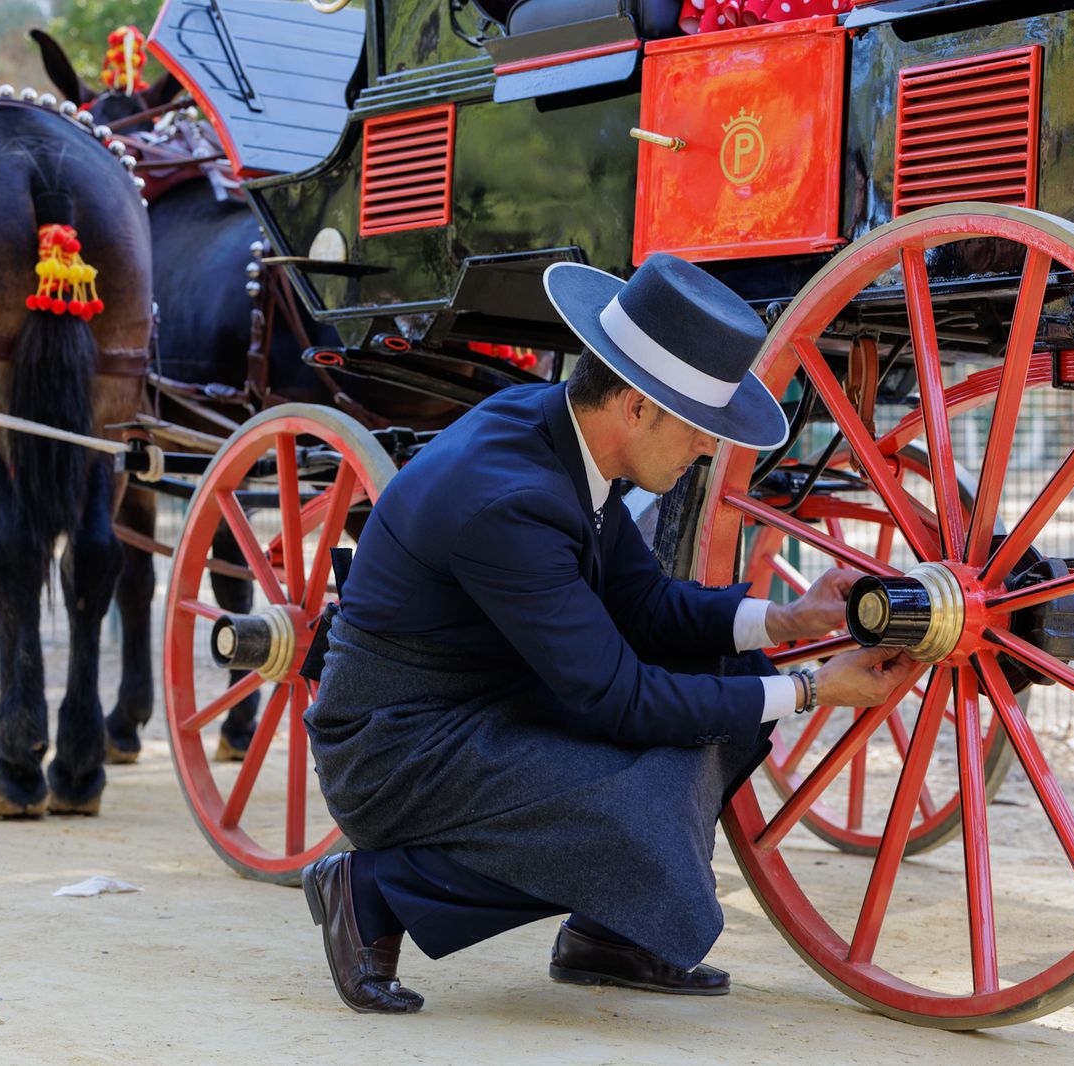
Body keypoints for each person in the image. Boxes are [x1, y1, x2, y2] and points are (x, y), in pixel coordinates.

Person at [302, 253, 915, 1014]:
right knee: (640, 813)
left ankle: (611, 935)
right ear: (636, 407)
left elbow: (643, 604)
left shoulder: (561, 436)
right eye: (699, 428)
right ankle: (371, 890)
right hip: (399, 749)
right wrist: (811, 689)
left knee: (730, 675)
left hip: (487, 697)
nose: (709, 449)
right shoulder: (511, 500)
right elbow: (618, 700)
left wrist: (791, 620)